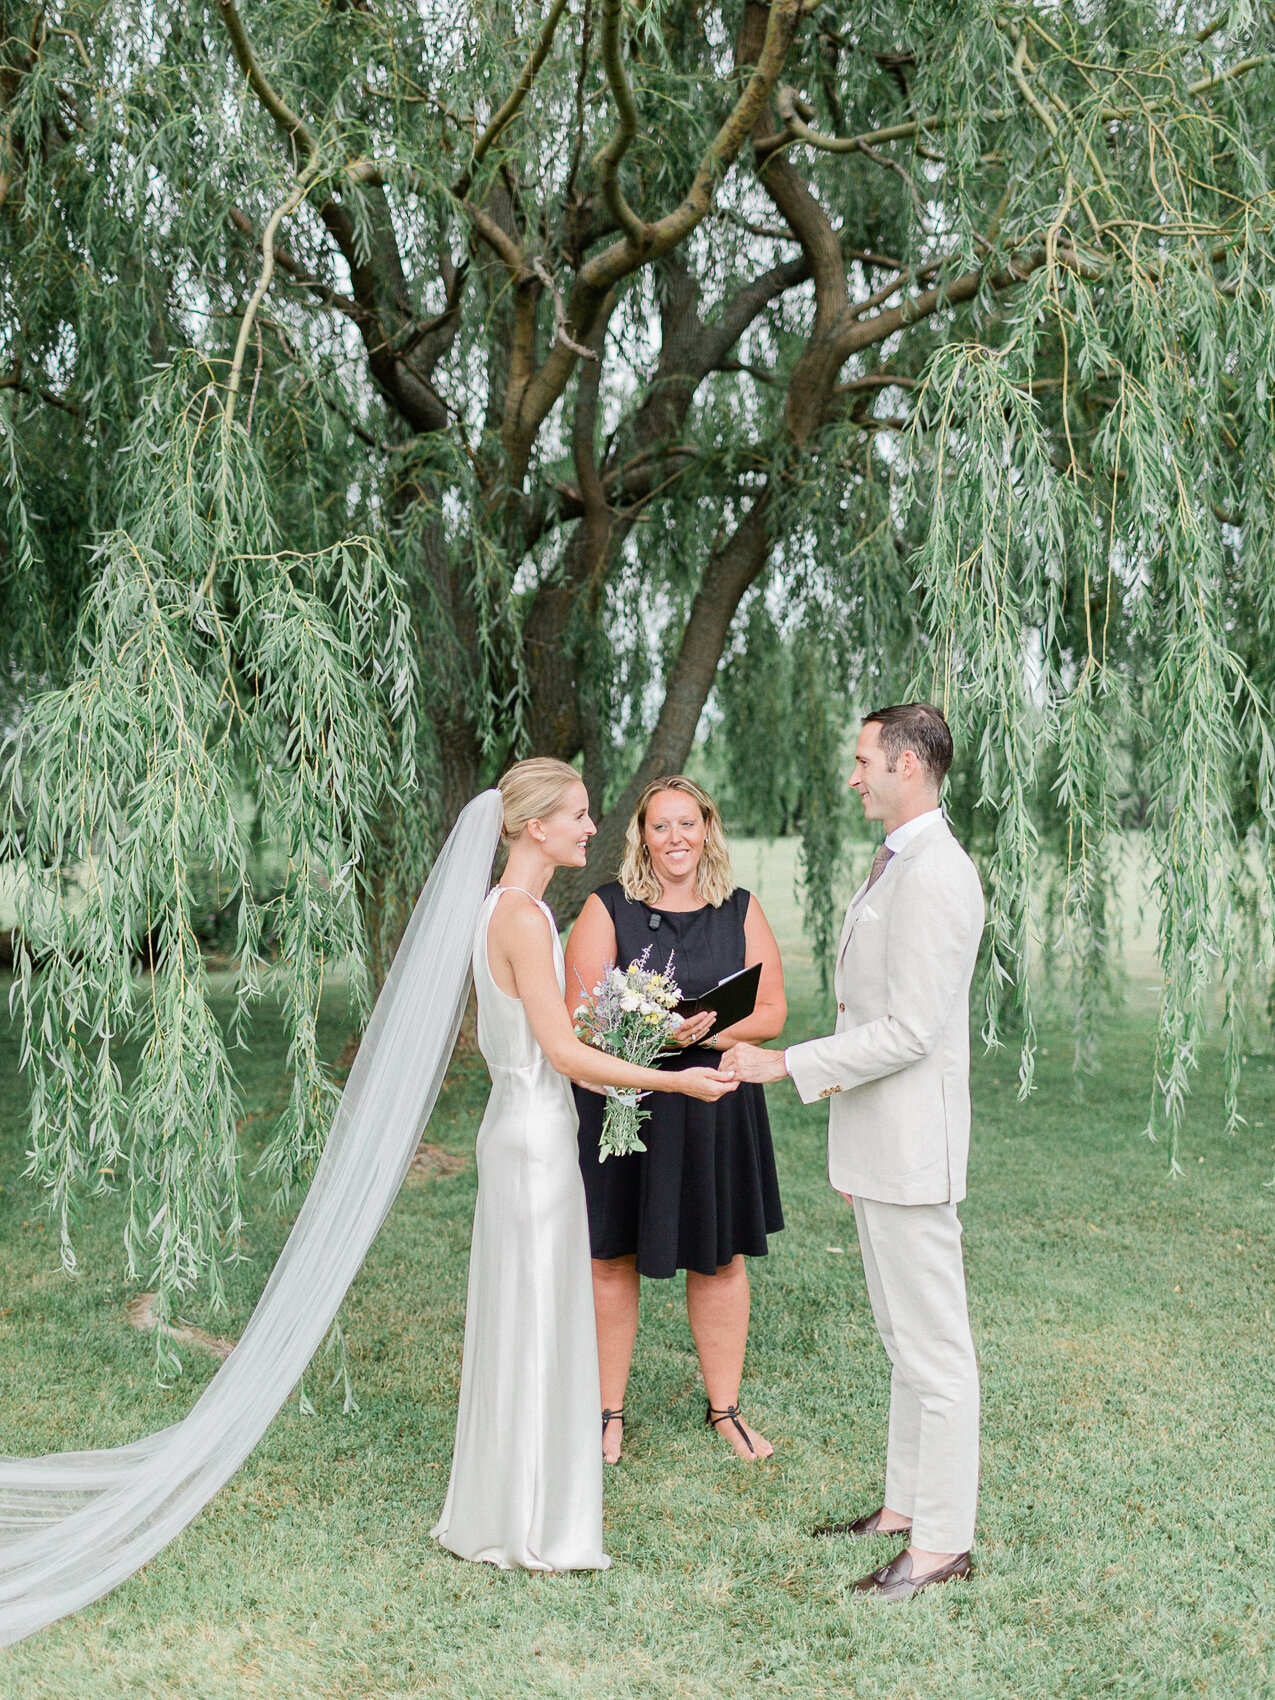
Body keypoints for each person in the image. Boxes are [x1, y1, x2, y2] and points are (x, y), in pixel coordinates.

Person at [431, 759, 737, 1571]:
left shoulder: (501, 906)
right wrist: (673, 1079)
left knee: (524, 1314)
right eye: (577, 815)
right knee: (535, 1316)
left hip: (515, 1126)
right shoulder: (526, 920)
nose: (590, 827)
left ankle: (507, 1501)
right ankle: (533, 1520)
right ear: (535, 826)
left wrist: (647, 1033)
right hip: (534, 1140)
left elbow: (555, 1029)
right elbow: (564, 1054)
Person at [723, 704, 985, 1601]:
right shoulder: (897, 865)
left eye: (864, 759)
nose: (853, 774)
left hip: (913, 1149)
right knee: (900, 1341)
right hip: (878, 1145)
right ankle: (904, 1509)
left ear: (907, 764)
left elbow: (909, 1031)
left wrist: (783, 1063)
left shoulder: (938, 875)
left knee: (935, 1351)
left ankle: (943, 1544)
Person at [565, 776, 786, 1465]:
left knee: (719, 1260)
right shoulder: (607, 908)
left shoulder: (740, 909)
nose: (675, 838)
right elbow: (577, 1018)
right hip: (628, 1104)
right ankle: (607, 1413)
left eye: (686, 823)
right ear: (641, 837)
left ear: (707, 828)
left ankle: (725, 1410)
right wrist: (655, 1029)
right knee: (612, 1258)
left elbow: (772, 1011)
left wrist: (710, 1037)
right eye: (659, 827)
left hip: (717, 1103)